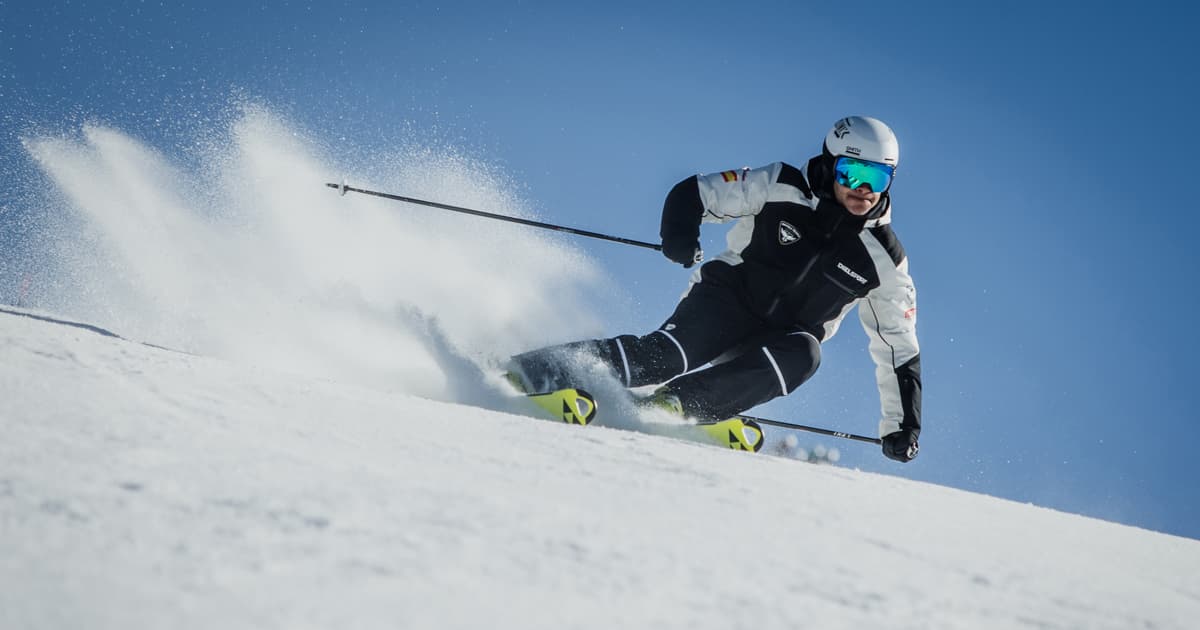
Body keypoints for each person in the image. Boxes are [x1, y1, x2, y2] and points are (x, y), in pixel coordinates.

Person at [505, 116, 922, 463]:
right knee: (667, 355)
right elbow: (696, 193)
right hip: (725, 301)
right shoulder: (781, 184)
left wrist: (903, 426)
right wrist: (680, 233)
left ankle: (675, 406)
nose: (864, 190)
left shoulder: (885, 259)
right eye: (853, 173)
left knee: (807, 355)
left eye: (878, 177)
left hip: (779, 342)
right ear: (830, 166)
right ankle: (529, 371)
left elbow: (898, 348)